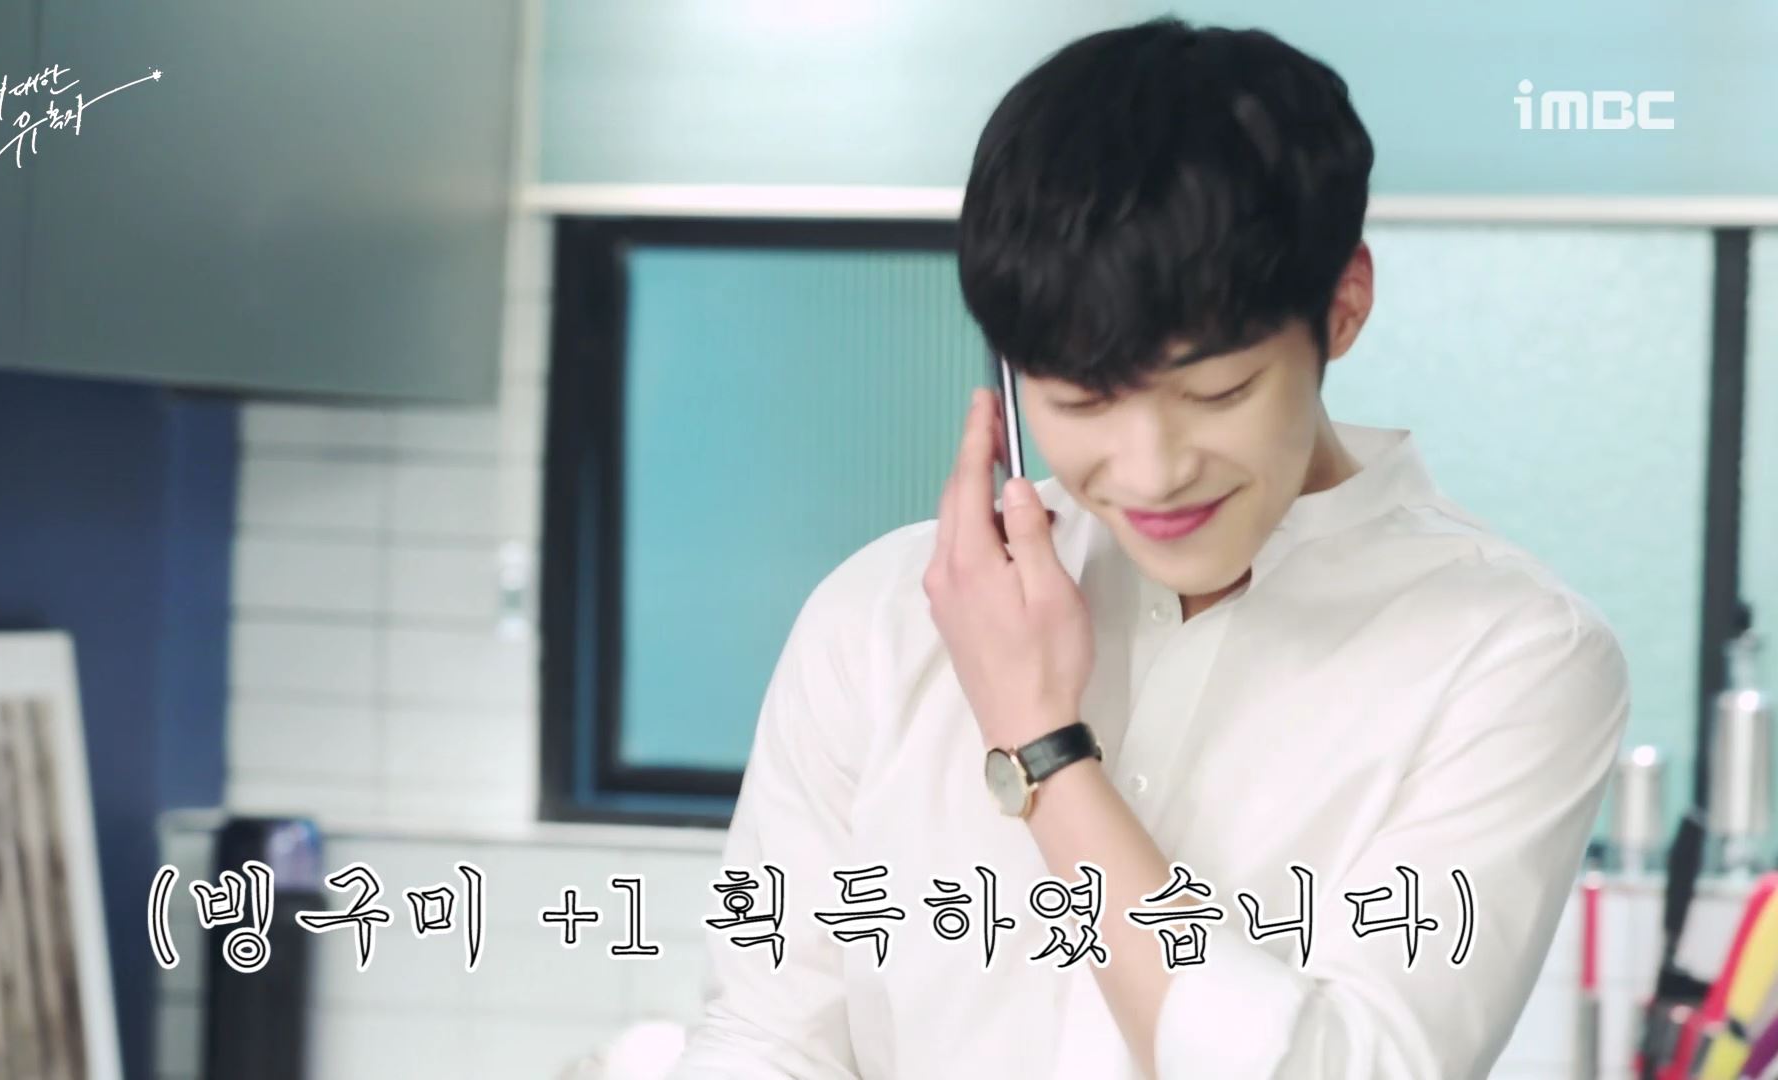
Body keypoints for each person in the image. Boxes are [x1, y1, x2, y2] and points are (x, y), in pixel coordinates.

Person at [668, 16, 1630, 1080]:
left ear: (1342, 307)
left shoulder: (1512, 655)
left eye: (1217, 392)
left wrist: (1041, 745)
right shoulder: (885, 613)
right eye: (1082, 402)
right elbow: (764, 1039)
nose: (1153, 470)